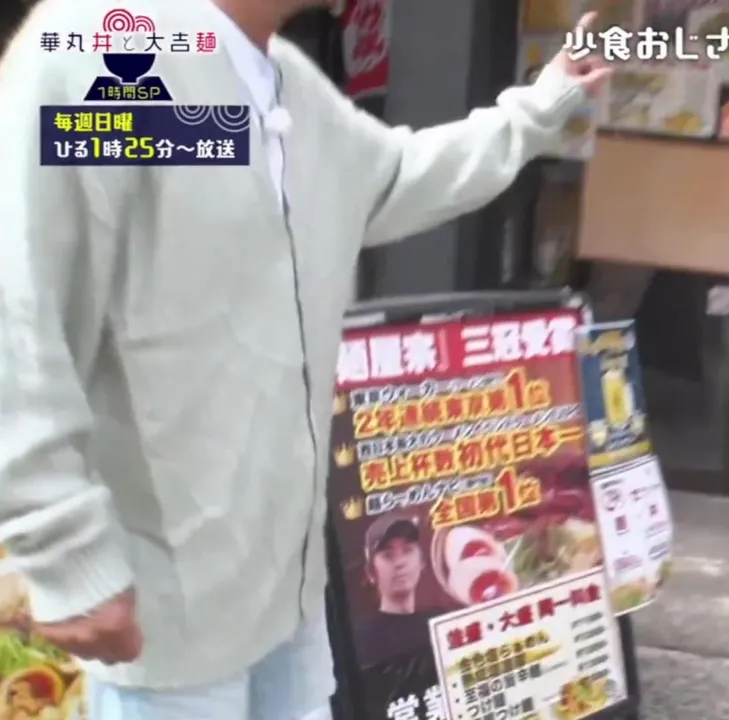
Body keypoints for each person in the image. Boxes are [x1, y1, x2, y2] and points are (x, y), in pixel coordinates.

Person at [0, 0, 609, 716]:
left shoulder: (285, 82)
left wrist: (545, 102)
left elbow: (399, 174)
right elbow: (20, 312)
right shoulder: (105, 55)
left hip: (287, 603)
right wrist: (65, 549)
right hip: (166, 618)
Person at [353, 515, 431, 665]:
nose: (400, 562)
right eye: (388, 555)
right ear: (371, 572)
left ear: (422, 561)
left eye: (407, 550)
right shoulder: (362, 640)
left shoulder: (438, 624)